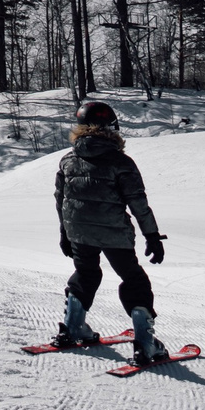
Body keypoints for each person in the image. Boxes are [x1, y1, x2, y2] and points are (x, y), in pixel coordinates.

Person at [51, 101, 173, 363]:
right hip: (114, 233)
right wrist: (151, 236)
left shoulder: (68, 160)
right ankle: (145, 342)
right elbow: (138, 203)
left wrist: (65, 232)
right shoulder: (121, 162)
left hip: (79, 232)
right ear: (111, 128)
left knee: (86, 273)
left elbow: (61, 198)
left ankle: (72, 328)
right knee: (134, 280)